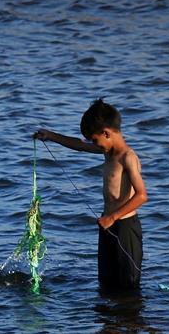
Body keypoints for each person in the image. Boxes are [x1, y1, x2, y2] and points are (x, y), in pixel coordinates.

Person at [34, 98, 147, 292]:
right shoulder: (107, 151)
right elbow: (79, 145)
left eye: (95, 140)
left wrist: (112, 217)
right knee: (106, 282)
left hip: (125, 227)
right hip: (107, 224)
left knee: (128, 285)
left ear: (106, 133)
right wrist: (51, 136)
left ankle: (131, 321)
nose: (94, 144)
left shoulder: (128, 157)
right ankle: (108, 321)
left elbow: (142, 196)